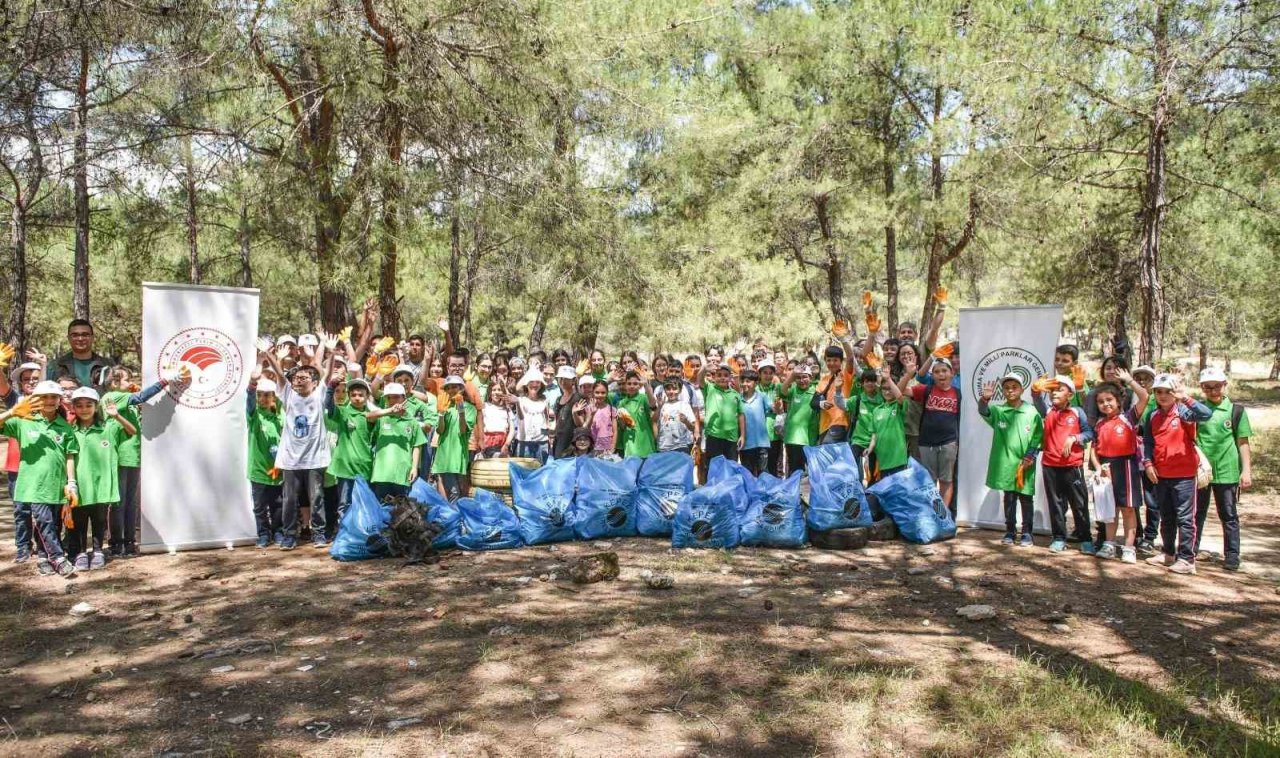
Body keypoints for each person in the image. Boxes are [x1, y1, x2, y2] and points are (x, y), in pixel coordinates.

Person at [1, 381, 80, 576]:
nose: (49, 401)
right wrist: (12, 412)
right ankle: (58, 557)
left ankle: (44, 558)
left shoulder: (64, 425)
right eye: (44, 397)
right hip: (33, 485)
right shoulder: (24, 420)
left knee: (52, 522)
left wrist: (71, 482)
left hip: (56, 484)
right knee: (44, 521)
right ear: (35, 399)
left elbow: (70, 455)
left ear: (59, 400)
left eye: (53, 397)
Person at [260, 344, 330, 550]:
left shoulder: (318, 396)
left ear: (314, 383)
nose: (298, 380)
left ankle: (318, 533)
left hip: (315, 458)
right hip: (290, 459)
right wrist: (269, 355)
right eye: (296, 378)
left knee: (316, 497)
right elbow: (281, 375)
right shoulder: (288, 395)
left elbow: (325, 374)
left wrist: (331, 353)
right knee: (289, 499)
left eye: (303, 377)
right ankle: (290, 535)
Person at [1143, 373, 1213, 575]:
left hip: (1183, 473)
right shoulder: (1153, 416)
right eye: (1159, 392)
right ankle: (1167, 552)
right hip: (1161, 473)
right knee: (1166, 515)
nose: (1163, 396)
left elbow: (1206, 414)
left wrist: (1185, 398)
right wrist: (1148, 463)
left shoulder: (1183, 411)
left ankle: (1187, 559)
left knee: (1185, 517)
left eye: (1168, 392)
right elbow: (1148, 442)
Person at [100, 366, 174, 557]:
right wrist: (164, 381)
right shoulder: (112, 397)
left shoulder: (125, 401)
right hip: (120, 457)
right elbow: (141, 397)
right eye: (126, 379)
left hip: (133, 457)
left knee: (131, 502)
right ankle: (116, 543)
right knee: (119, 502)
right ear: (114, 382)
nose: (130, 382)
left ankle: (129, 541)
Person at [66, 387, 136, 570]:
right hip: (80, 484)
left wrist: (116, 416)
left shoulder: (108, 427)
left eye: (89, 405)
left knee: (99, 519)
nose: (84, 409)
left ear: (96, 407)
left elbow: (132, 431)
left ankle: (97, 550)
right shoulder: (70, 429)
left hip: (102, 484)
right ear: (73, 407)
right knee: (79, 520)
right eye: (79, 405)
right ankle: (81, 551)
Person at [1086, 372, 1149, 563]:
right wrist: (1098, 467)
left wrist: (1130, 380)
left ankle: (1129, 548)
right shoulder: (1099, 424)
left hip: (1127, 467)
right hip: (1107, 468)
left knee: (1128, 509)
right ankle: (1109, 544)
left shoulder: (1129, 418)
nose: (1105, 404)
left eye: (1109, 400)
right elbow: (1094, 450)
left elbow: (1145, 396)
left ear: (1119, 400)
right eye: (1101, 402)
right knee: (1109, 510)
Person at [1193, 367, 1251, 571]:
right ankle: (1191, 550)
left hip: (1227, 471)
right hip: (1201, 472)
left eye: (1217, 386)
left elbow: (1242, 442)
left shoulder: (1236, 411)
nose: (1213, 391)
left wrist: (1246, 470)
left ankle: (1232, 555)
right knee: (1196, 513)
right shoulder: (1198, 410)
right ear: (1202, 388)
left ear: (1224, 385)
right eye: (1208, 387)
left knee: (1228, 513)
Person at [1032, 374, 1096, 553]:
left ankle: (1086, 539)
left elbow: (1089, 433)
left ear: (1070, 394)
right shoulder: (1048, 412)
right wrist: (1035, 390)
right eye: (1052, 390)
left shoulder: (1077, 412)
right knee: (1056, 502)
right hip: (1050, 465)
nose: (1054, 393)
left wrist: (1074, 438)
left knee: (1079, 503)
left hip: (1072, 466)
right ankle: (1059, 537)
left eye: (1060, 390)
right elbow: (1036, 398)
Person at [979, 373, 1043, 546]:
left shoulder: (1031, 411)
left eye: (1014, 387)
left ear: (1022, 389)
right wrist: (984, 400)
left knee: (1026, 497)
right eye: (1006, 388)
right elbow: (983, 411)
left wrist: (1030, 455)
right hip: (1007, 464)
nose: (1010, 391)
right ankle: (1010, 531)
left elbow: (1038, 436)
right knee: (1009, 497)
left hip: (1026, 463)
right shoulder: (999, 411)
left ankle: (1027, 532)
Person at [911, 357, 961, 510]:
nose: (941, 374)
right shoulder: (926, 389)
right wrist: (908, 374)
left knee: (946, 480)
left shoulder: (958, 394)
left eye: (944, 370)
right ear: (932, 376)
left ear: (952, 373)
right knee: (929, 480)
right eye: (937, 371)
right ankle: (931, 513)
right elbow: (900, 391)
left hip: (949, 442)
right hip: (926, 442)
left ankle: (943, 515)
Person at [324, 375, 373, 527]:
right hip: (345, 468)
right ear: (348, 396)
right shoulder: (343, 412)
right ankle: (345, 533)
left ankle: (362, 533)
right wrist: (331, 388)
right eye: (353, 395)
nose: (357, 398)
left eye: (361, 395)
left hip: (365, 467)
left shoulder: (371, 416)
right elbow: (329, 406)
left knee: (364, 502)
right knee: (345, 503)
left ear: (367, 397)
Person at [365, 382, 426, 500]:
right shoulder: (381, 418)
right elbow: (368, 417)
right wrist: (389, 411)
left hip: (402, 474)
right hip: (381, 474)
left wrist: (414, 468)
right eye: (389, 397)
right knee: (382, 509)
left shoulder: (412, 421)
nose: (393, 400)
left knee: (401, 512)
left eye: (396, 397)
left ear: (404, 398)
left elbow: (417, 446)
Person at [247, 375, 285, 548]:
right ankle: (263, 534)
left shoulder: (279, 418)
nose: (263, 398)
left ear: (273, 397)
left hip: (277, 470)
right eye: (260, 395)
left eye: (267, 395)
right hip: (258, 469)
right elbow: (249, 402)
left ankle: (278, 532)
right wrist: (252, 385)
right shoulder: (254, 416)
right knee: (260, 506)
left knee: (277, 504)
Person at [860, 363, 914, 480]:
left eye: (890, 389)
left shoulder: (899, 405)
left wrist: (888, 379)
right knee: (887, 491)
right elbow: (874, 433)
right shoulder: (877, 410)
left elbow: (899, 396)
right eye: (884, 389)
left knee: (899, 489)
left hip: (898, 458)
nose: (887, 392)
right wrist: (870, 448)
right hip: (883, 459)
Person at [431, 375, 475, 501]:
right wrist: (441, 414)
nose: (451, 390)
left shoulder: (470, 408)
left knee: (458, 492)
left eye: (454, 387)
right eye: (448, 388)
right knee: (451, 492)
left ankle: (453, 517)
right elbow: (440, 430)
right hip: (444, 456)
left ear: (461, 388)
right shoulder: (444, 405)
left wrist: (461, 409)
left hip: (458, 456)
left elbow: (463, 430)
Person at [699, 361, 744, 479]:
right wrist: (705, 368)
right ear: (714, 377)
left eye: (725, 375)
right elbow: (700, 379)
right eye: (719, 375)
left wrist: (742, 435)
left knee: (730, 468)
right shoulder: (710, 388)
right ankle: (712, 492)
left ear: (730, 377)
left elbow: (741, 415)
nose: (722, 378)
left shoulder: (735, 394)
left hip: (731, 437)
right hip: (714, 436)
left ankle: (729, 493)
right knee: (713, 468)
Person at [48, 319, 113, 390]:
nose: (80, 338)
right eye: (75, 335)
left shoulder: (108, 365)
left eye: (85, 335)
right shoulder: (55, 366)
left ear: (92, 337)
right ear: (69, 338)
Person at [778, 366, 818, 473]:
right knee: (795, 471)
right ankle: (795, 489)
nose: (801, 380)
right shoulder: (794, 390)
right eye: (798, 378)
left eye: (804, 377)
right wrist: (792, 375)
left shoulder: (816, 391)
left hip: (810, 439)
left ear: (810, 378)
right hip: (793, 438)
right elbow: (782, 392)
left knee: (811, 472)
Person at [612, 370, 657, 459]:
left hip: (645, 444)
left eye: (635, 383)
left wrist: (646, 385)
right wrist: (620, 419)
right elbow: (623, 427)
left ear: (639, 386)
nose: (632, 386)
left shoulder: (643, 398)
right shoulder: (622, 403)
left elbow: (652, 404)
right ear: (625, 385)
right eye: (629, 383)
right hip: (630, 445)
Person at [515, 369, 555, 462]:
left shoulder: (545, 400)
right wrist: (531, 367)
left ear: (541, 385)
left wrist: (549, 436)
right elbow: (517, 388)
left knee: (541, 469)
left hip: (542, 442)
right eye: (531, 382)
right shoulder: (520, 399)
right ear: (526, 384)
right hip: (525, 441)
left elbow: (547, 420)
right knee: (524, 470)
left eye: (538, 382)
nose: (535, 384)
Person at [738, 369, 771, 476]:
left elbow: (773, 409)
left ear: (756, 383)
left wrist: (778, 407)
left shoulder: (762, 397)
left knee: (763, 473)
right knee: (748, 475)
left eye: (748, 381)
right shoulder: (738, 399)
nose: (744, 384)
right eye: (742, 381)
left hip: (761, 443)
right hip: (745, 444)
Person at [655, 377, 698, 454]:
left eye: (674, 389)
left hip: (681, 446)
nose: (671, 392)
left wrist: (686, 421)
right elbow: (653, 422)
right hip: (663, 446)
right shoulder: (661, 405)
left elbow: (693, 427)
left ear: (680, 390)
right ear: (664, 390)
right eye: (668, 389)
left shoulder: (685, 405)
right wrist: (659, 407)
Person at [550, 367, 582, 459]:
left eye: (566, 379)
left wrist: (575, 414)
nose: (563, 381)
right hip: (558, 439)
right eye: (561, 378)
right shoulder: (558, 399)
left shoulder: (577, 398)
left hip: (571, 441)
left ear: (573, 380)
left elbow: (581, 424)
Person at [479, 381, 515, 458]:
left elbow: (512, 429)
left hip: (503, 443)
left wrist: (506, 444)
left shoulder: (507, 409)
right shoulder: (484, 406)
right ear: (489, 392)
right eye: (494, 390)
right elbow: (480, 425)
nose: (497, 392)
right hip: (487, 442)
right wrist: (481, 441)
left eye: (499, 390)